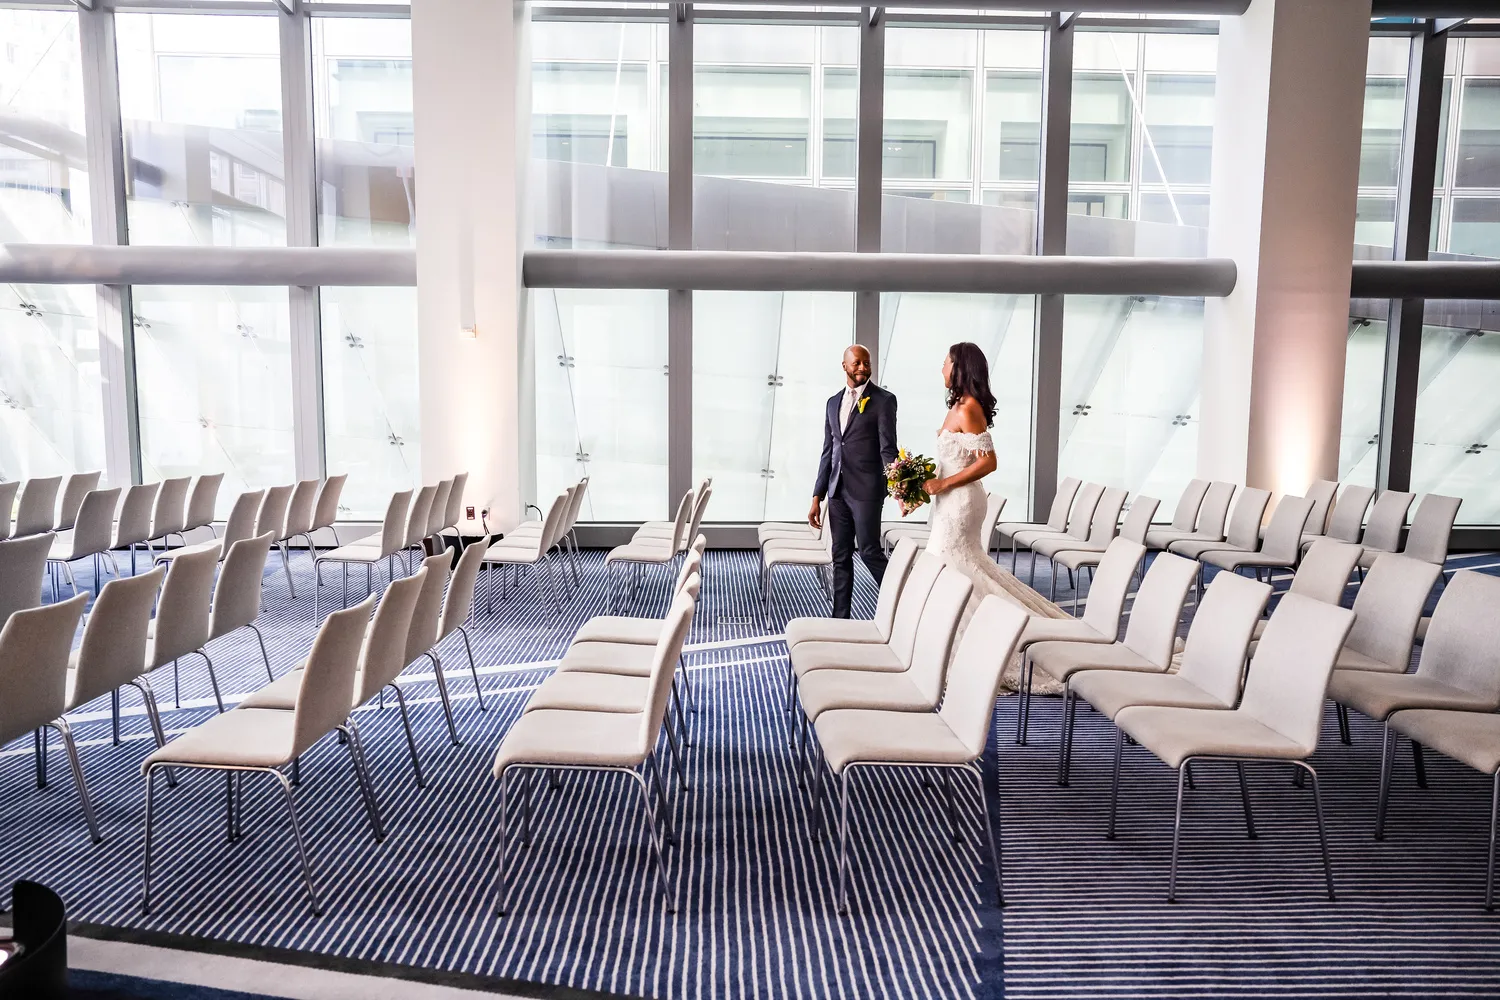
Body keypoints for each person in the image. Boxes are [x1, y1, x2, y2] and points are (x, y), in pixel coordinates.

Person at [921, 342, 1070, 691]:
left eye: (945, 363)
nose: (941, 369)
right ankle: (945, 641)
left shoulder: (970, 407)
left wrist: (944, 482)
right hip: (947, 500)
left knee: (954, 567)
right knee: (954, 567)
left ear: (959, 368)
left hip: (961, 503)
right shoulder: (957, 405)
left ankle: (980, 645)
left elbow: (988, 462)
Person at [810, 345, 898, 619]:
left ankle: (904, 603)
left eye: (866, 363)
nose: (863, 368)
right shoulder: (832, 402)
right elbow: (829, 450)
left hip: (867, 492)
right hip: (836, 491)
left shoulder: (884, 400)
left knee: (870, 551)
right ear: (844, 366)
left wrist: (897, 487)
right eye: (857, 363)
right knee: (840, 556)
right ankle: (840, 618)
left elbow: (888, 448)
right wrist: (817, 496)